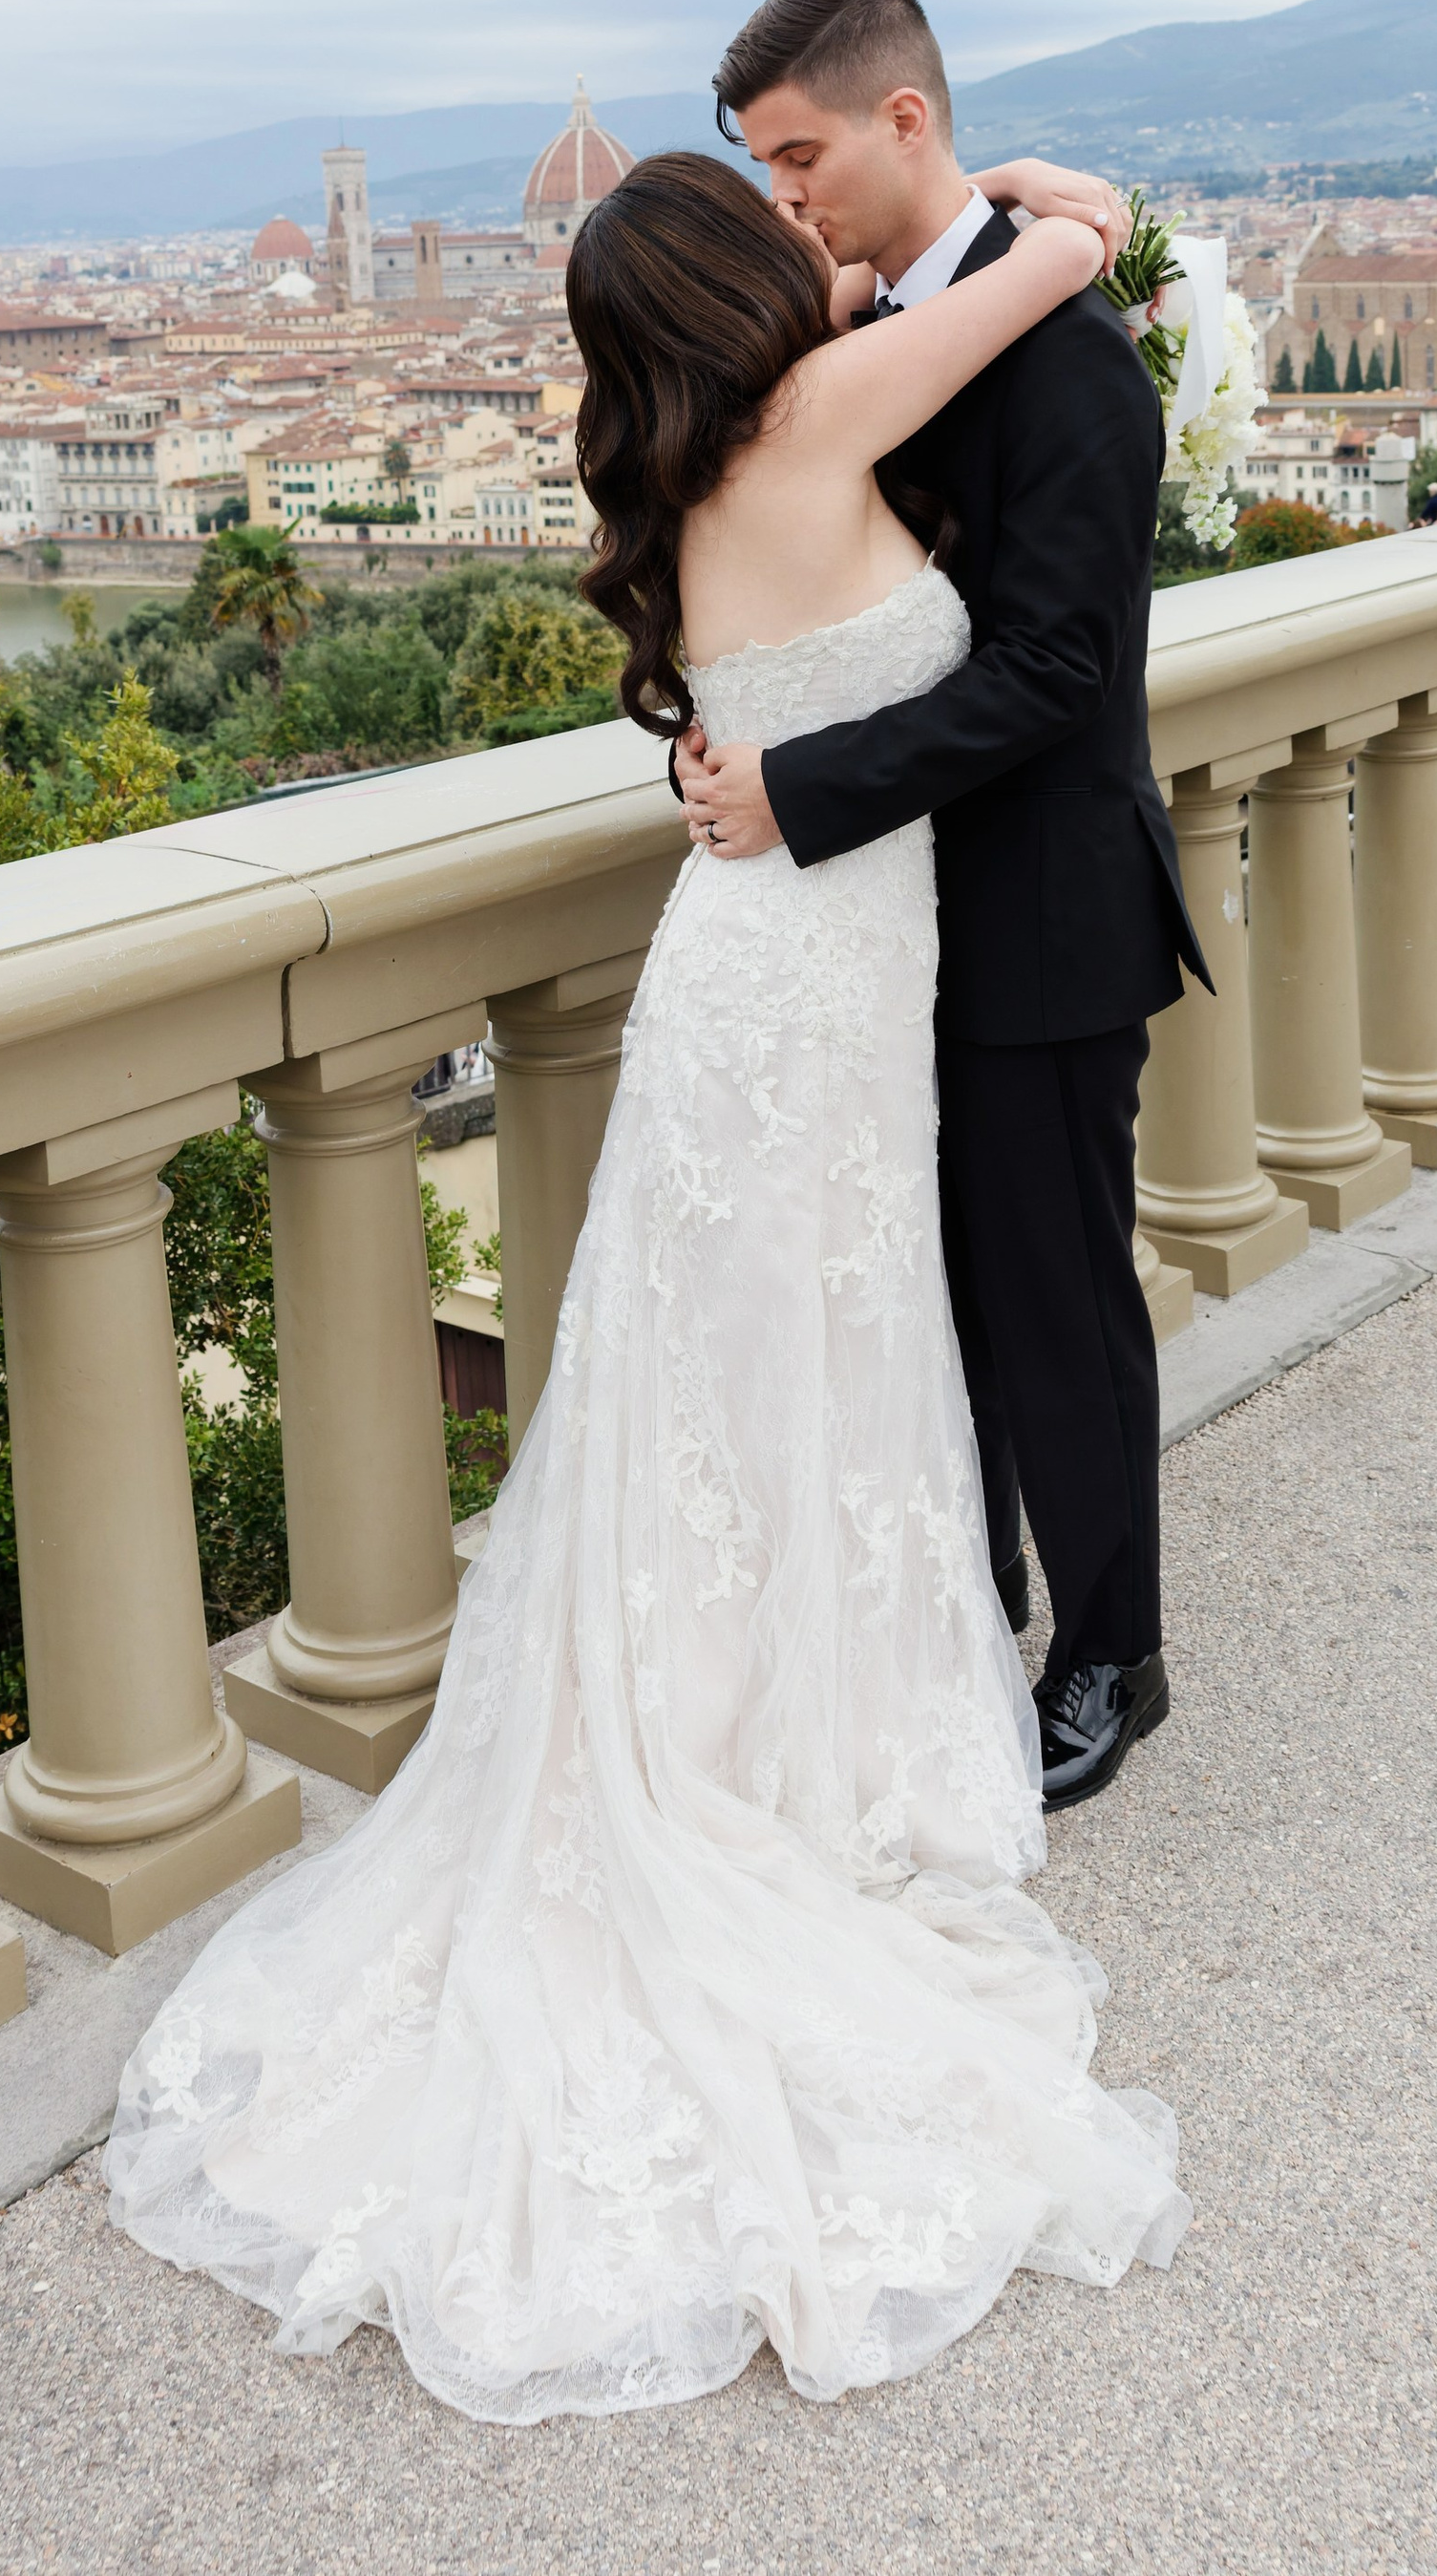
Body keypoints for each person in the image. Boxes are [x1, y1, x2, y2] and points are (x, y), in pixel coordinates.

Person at [107, 121, 1189, 2421]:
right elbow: (1075, 250)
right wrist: (1035, 190)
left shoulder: (705, 458)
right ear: (731, 289)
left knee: (733, 1371)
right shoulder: (828, 404)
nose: (807, 226)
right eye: (766, 211)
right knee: (807, 1351)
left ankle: (740, 1712)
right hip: (807, 988)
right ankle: (812, 1733)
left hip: (765, 975)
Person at [678, 0, 1209, 1813]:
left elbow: (1059, 671)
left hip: (1037, 917)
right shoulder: (853, 336)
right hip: (869, 929)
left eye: (800, 155)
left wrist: (798, 791)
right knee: (921, 1299)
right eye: (760, 167)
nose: (783, 197)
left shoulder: (1074, 361)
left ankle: (1115, 1654)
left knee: (1051, 1302)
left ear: (904, 120)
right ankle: (963, 1620)